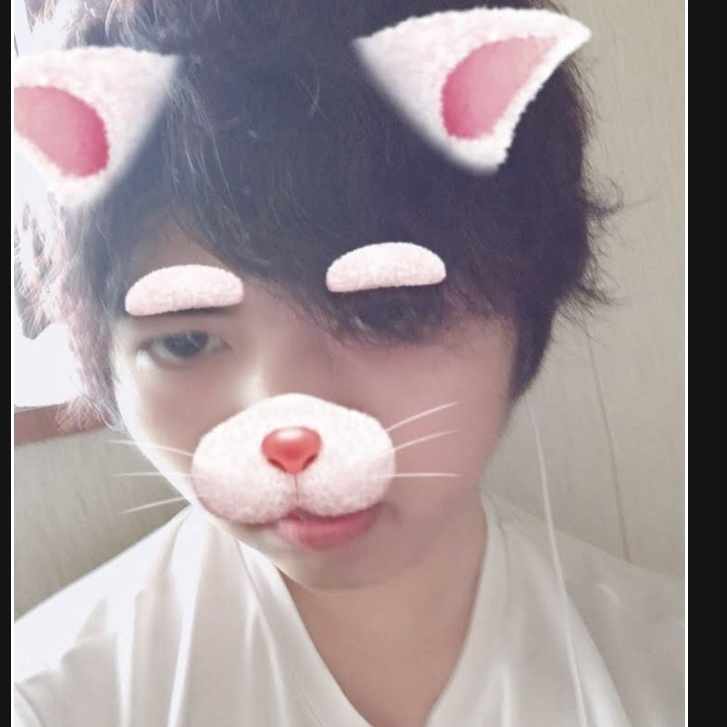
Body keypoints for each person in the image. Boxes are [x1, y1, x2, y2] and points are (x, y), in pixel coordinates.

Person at [13, 1, 684, 725]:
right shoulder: (51, 699)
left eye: (386, 313)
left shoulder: (666, 671)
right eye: (185, 341)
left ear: (524, 305)